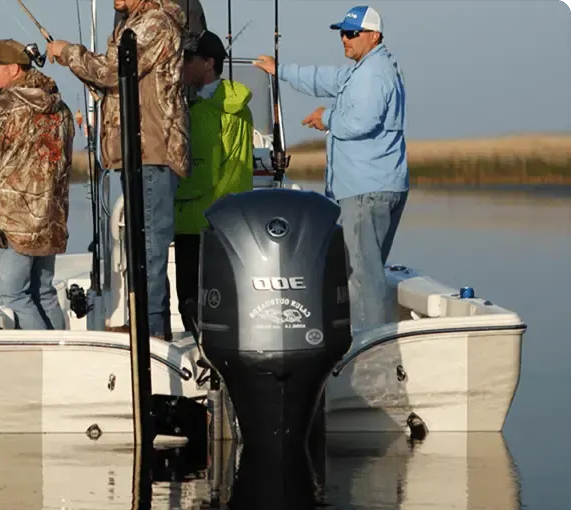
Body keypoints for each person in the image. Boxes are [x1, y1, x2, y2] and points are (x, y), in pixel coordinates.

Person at [252, 5, 409, 334]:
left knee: (362, 276)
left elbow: (360, 121)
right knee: (366, 270)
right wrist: (280, 70)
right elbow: (324, 78)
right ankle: (366, 341)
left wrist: (326, 118)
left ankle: (367, 352)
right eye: (342, 32)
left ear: (374, 36)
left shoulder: (373, 74)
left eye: (352, 33)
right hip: (376, 186)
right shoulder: (363, 70)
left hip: (365, 191)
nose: (344, 39)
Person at [45, 0, 190, 340]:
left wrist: (68, 52)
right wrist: (77, 64)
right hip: (135, 149)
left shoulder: (154, 22)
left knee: (151, 244)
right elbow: (114, 81)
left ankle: (152, 330)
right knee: (138, 242)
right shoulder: (132, 22)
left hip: (152, 148)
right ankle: (145, 324)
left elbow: (113, 70)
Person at [0, 39, 75, 330]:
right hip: (50, 218)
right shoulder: (62, 109)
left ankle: (43, 360)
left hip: (10, 221)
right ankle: (61, 357)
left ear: (13, 69)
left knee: (11, 293)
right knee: (43, 292)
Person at [175, 30, 255, 337]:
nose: (181, 65)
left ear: (209, 63)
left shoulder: (211, 113)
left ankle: (206, 360)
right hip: (218, 221)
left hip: (202, 222)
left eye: (187, 59)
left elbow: (202, 173)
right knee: (208, 303)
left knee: (194, 302)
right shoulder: (219, 107)